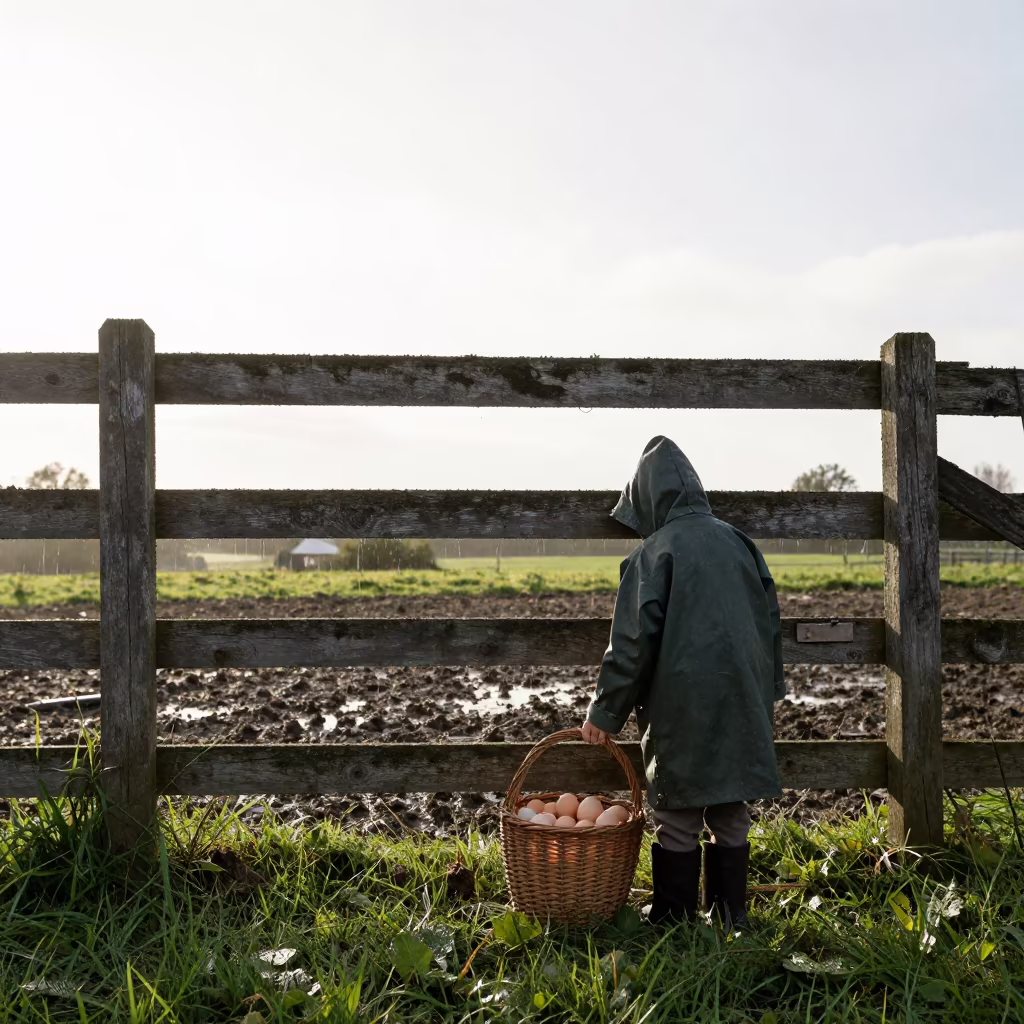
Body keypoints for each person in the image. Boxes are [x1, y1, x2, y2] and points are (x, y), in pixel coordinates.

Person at [581, 436, 785, 929]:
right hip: (742, 697)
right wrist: (767, 690)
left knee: (677, 811)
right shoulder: (740, 543)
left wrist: (604, 710)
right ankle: (729, 912)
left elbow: (630, 642)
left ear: (647, 501)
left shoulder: (653, 553)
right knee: (731, 804)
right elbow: (769, 622)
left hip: (681, 703)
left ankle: (673, 915)